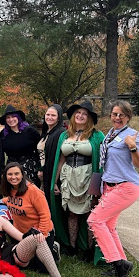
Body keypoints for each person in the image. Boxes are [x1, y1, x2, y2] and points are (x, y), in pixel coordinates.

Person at [88, 100, 139, 277]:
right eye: (115, 114)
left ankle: (117, 263)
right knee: (109, 225)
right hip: (109, 186)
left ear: (128, 117)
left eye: (122, 115)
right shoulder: (110, 135)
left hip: (126, 186)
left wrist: (132, 147)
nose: (117, 118)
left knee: (95, 221)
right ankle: (122, 262)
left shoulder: (133, 136)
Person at [50, 101, 104, 259]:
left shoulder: (96, 135)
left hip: (87, 177)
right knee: (72, 214)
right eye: (78, 113)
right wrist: (55, 181)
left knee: (90, 213)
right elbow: (60, 160)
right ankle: (72, 247)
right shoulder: (64, 135)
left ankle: (88, 249)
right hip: (69, 177)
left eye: (84, 114)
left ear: (89, 118)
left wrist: (96, 187)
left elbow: (100, 162)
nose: (80, 116)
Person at [0, 162, 58, 270]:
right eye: (10, 174)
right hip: (20, 234)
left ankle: (54, 248)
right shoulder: (9, 189)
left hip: (39, 232)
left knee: (42, 269)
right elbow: (9, 201)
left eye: (16, 174)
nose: (13, 177)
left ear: (22, 175)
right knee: (20, 264)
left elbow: (45, 215)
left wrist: (42, 234)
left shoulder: (33, 191)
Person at [0, 105, 41, 186]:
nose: (11, 120)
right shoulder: (4, 134)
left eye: (13, 117)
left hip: (29, 166)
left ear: (18, 117)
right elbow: (1, 153)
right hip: (12, 167)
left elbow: (39, 150)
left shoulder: (30, 131)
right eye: (8, 117)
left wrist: (40, 168)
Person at [37, 104, 64, 208]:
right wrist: (40, 169)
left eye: (53, 115)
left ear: (58, 118)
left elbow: (58, 158)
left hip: (52, 173)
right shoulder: (46, 132)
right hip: (43, 173)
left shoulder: (60, 133)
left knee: (51, 204)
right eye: (47, 114)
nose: (49, 117)